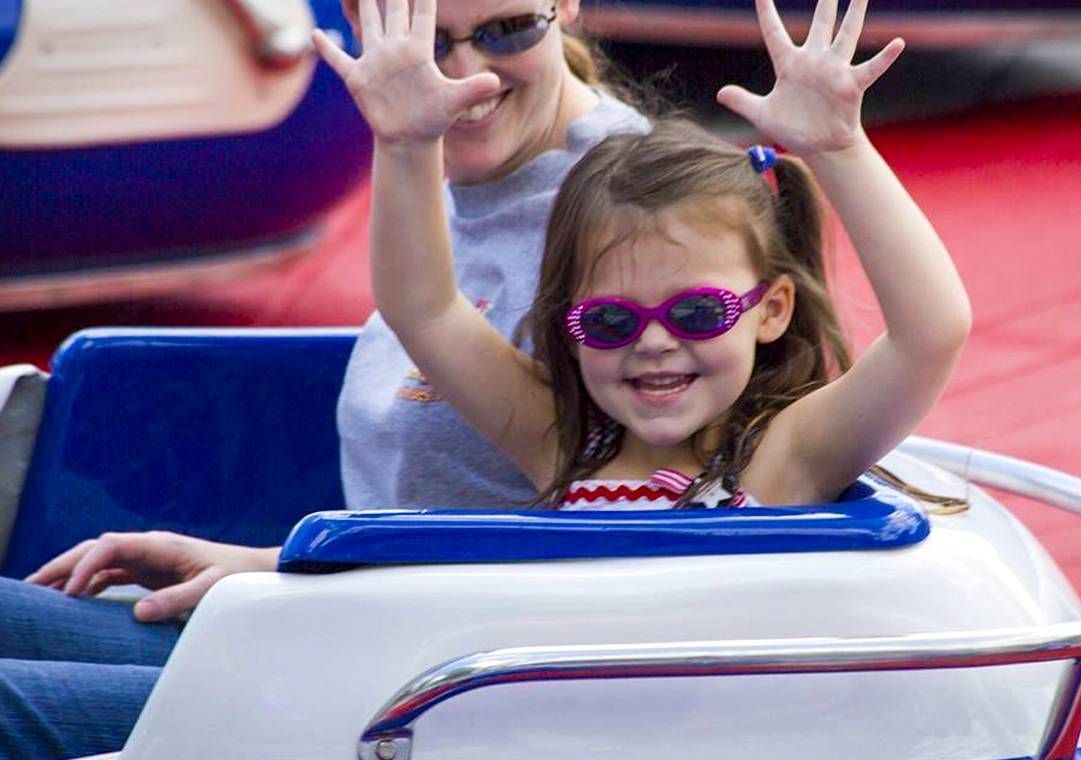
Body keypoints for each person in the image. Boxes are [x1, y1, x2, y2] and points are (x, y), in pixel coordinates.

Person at [0, 0, 649, 756]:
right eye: (426, 40)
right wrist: (269, 566)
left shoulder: (634, 209)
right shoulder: (442, 162)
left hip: (434, 686)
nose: (465, 74)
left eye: (508, 31)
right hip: (343, 619)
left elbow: (619, 518)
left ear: (565, 7)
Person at [322, 0, 971, 512]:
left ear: (769, 310)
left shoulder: (788, 456)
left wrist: (841, 149)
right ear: (569, 332)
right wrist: (405, 143)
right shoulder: (561, 449)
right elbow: (425, 307)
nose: (655, 341)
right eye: (610, 322)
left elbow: (931, 333)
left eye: (697, 313)